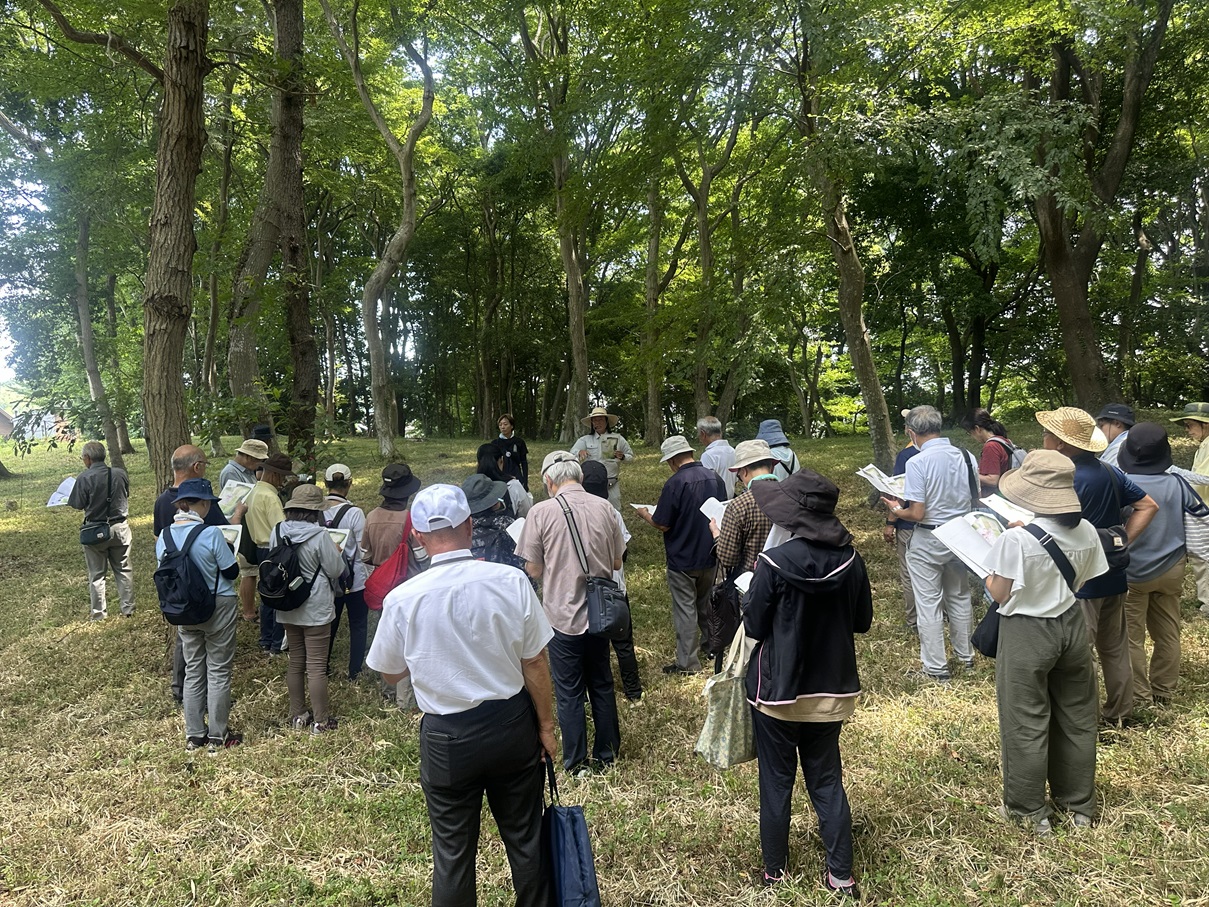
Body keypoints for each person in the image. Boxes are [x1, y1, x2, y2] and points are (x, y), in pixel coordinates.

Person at [366, 484, 556, 907]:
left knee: (452, 856)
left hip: (446, 738)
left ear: (416, 536)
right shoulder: (510, 581)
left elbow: (390, 671)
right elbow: (536, 663)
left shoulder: (402, 599)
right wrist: (546, 726)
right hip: (512, 726)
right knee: (527, 841)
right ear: (469, 525)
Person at [743, 469, 871, 895]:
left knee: (776, 781)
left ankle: (774, 872)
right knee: (827, 778)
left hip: (777, 694)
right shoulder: (852, 560)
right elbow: (863, 622)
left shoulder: (773, 563)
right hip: (832, 692)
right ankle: (841, 876)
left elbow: (756, 625)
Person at [983, 450, 1109, 835]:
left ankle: (1028, 809)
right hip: (1071, 624)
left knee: (1025, 720)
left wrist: (988, 573)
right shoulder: (1086, 530)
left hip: (1027, 630)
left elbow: (1000, 594)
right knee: (1076, 716)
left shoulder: (1015, 539)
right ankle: (1079, 806)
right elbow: (1085, 581)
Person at [1038, 407, 1158, 726]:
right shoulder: (1108, 471)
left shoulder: (1065, 478)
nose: (1043, 438)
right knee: (1115, 648)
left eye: (1047, 434)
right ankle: (1119, 714)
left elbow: (1054, 527)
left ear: (1062, 443)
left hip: (1080, 579)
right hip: (1113, 573)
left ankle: (1082, 719)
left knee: (1080, 652)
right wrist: (1122, 540)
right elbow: (1148, 505)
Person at [516, 451, 624, 775]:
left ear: (549, 480)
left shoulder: (541, 512)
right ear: (577, 476)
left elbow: (533, 570)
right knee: (602, 683)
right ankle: (607, 755)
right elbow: (617, 562)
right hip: (602, 612)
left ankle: (576, 763)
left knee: (568, 691)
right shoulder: (607, 508)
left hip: (563, 615)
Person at [880, 405, 980, 681]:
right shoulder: (966, 455)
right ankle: (966, 657)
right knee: (960, 597)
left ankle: (936, 667)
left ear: (911, 433)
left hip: (928, 536)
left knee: (928, 602)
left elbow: (917, 512)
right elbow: (976, 496)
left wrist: (895, 509)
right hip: (961, 534)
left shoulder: (917, 462)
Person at [1118, 423, 1208, 708]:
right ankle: (1163, 692)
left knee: (1130, 637)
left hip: (1132, 571)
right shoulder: (1177, 483)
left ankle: (1140, 696)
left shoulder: (1122, 484)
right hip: (1172, 569)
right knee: (1168, 631)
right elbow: (1199, 516)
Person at [155, 478, 242, 751]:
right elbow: (231, 572)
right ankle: (218, 734)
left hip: (182, 609)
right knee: (218, 670)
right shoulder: (212, 534)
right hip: (218, 605)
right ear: (202, 504)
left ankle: (194, 734)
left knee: (193, 669)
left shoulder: (165, 536)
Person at [636, 435, 726, 674]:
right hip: (712, 553)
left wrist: (645, 514)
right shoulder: (715, 477)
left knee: (686, 610)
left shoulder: (675, 483)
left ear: (674, 460)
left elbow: (663, 523)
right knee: (708, 604)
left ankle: (687, 663)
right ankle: (713, 649)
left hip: (682, 558)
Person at [270, 483, 347, 733]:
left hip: (287, 603)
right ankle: (321, 721)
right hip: (315, 607)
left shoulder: (278, 530)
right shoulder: (320, 535)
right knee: (316, 666)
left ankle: (298, 715)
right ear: (316, 511)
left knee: (296, 662)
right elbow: (336, 570)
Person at [360, 462, 425, 710]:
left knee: (386, 636)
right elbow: (421, 558)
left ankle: (387, 689)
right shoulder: (410, 520)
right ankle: (405, 700)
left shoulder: (371, 516)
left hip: (381, 588)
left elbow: (364, 554)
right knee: (407, 642)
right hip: (407, 586)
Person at [582, 459, 643, 704]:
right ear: (607, 486)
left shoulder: (575, 512)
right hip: (616, 588)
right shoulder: (612, 512)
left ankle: (589, 692)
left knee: (590, 646)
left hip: (588, 590)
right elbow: (624, 553)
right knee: (623, 642)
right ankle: (634, 692)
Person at [67, 440, 134, 620]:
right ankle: (128, 609)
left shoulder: (84, 477)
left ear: (88, 458)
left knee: (97, 574)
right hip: (120, 527)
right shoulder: (120, 474)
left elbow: (77, 504)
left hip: (95, 529)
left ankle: (99, 614)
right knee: (123, 569)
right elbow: (126, 494)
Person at [323, 464, 369, 681]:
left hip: (326, 579)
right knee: (358, 624)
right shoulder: (355, 513)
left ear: (325, 484)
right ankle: (355, 670)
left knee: (329, 624)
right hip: (354, 579)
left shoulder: (316, 511)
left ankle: (322, 666)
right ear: (349, 484)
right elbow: (363, 550)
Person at [245, 452, 291, 654]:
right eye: (282, 477)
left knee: (265, 596)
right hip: (273, 549)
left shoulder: (253, 491)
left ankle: (265, 639)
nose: (283, 481)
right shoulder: (270, 497)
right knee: (278, 596)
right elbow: (281, 528)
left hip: (259, 548)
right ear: (274, 474)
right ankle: (276, 642)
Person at [712, 440, 778, 576]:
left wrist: (717, 535)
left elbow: (728, 559)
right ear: (771, 467)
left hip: (752, 585)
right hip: (791, 585)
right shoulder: (795, 496)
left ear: (744, 471)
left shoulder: (739, 505)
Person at [1171, 403, 1209, 613]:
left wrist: (1176, 472)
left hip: (1204, 511)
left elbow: (1206, 478)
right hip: (1199, 508)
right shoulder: (1203, 445)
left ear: (1205, 424)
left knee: (1202, 556)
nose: (1188, 430)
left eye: (1190, 425)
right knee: (1200, 556)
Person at [883, 440, 920, 633]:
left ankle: (914, 620)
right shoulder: (953, 453)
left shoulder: (907, 456)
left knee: (909, 573)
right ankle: (944, 614)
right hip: (941, 525)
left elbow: (899, 492)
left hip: (909, 524)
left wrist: (891, 521)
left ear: (912, 430)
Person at [570, 405, 634, 511]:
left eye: (600, 420)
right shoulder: (585, 440)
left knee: (614, 512)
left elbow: (630, 457)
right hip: (591, 484)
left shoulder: (618, 439)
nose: (597, 423)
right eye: (594, 420)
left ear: (606, 421)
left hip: (611, 483)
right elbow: (571, 455)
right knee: (590, 512)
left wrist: (622, 457)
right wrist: (579, 452)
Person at [461, 473, 525, 569]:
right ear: (495, 504)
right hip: (506, 580)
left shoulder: (460, 530)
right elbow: (527, 561)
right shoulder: (507, 524)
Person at [961, 407, 1018, 493]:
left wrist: (970, 474)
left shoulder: (991, 446)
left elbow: (993, 480)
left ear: (977, 429)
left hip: (995, 498)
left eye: (970, 433)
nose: (971, 436)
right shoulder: (1003, 440)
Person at [477, 443, 531, 517]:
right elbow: (526, 514)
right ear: (502, 460)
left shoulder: (471, 487)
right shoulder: (513, 486)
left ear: (478, 462)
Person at [698, 416, 737, 499]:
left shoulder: (708, 455)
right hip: (731, 500)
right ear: (720, 432)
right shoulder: (732, 451)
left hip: (715, 503)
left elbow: (706, 485)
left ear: (703, 434)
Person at [494, 413, 530, 491]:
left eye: (505, 424)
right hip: (500, 479)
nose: (502, 427)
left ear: (512, 426)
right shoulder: (495, 443)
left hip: (516, 476)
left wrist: (525, 481)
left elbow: (524, 463)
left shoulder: (519, 442)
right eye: (500, 425)